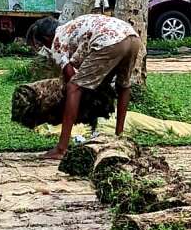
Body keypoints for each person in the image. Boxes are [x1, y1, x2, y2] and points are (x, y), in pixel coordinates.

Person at [26, 14, 140, 161]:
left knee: (73, 88)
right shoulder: (71, 29)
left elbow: (70, 79)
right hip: (132, 37)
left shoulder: (57, 40)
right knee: (123, 85)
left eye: (42, 44)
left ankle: (61, 148)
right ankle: (119, 136)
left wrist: (64, 104)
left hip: (110, 41)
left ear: (47, 38)